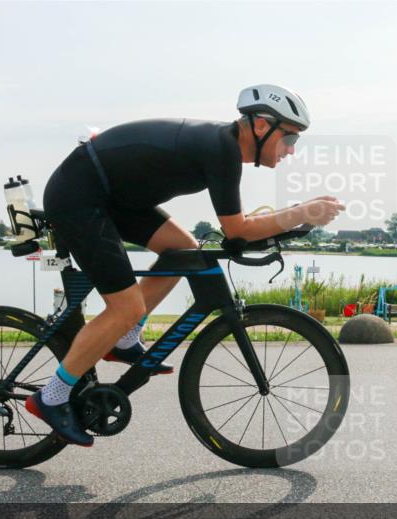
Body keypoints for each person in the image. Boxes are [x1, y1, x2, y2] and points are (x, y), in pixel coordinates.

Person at [26, 85, 345, 446]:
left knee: (184, 251)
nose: (290, 151)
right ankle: (50, 397)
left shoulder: (224, 147)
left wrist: (299, 215)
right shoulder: (221, 148)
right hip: (80, 196)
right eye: (290, 139)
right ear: (260, 127)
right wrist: (301, 213)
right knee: (125, 306)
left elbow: (236, 233)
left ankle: (125, 340)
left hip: (115, 198)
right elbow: (237, 230)